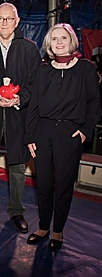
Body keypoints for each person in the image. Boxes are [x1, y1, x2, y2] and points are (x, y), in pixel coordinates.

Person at [25, 23, 100, 250]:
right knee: (44, 185)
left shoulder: (85, 69)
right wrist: (30, 136)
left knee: (65, 186)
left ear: (71, 42)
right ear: (49, 44)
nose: (59, 43)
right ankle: (44, 227)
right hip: (43, 132)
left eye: (63, 38)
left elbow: (94, 103)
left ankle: (58, 231)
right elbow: (34, 106)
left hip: (70, 133)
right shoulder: (43, 70)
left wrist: (85, 132)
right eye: (54, 39)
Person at [0, 3, 41, 233]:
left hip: (18, 116)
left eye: (8, 19)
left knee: (17, 165)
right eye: (0, 19)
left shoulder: (30, 49)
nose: (4, 23)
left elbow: (35, 85)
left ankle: (16, 211)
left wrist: (20, 98)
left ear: (17, 21)